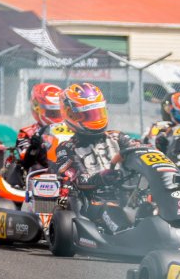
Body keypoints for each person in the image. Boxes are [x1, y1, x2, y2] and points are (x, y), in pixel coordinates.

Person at [53, 82, 141, 234]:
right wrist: (101, 177)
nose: (95, 119)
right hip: (94, 204)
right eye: (88, 115)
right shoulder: (66, 148)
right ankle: (126, 235)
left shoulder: (117, 137)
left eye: (98, 112)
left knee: (151, 206)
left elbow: (139, 151)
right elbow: (79, 180)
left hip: (129, 199)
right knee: (109, 210)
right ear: (70, 114)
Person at [5, 83, 64, 188]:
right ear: (37, 109)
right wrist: (35, 147)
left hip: (68, 170)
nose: (57, 117)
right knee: (33, 167)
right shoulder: (28, 133)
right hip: (42, 172)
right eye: (52, 113)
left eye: (59, 112)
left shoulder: (73, 130)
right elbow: (25, 160)